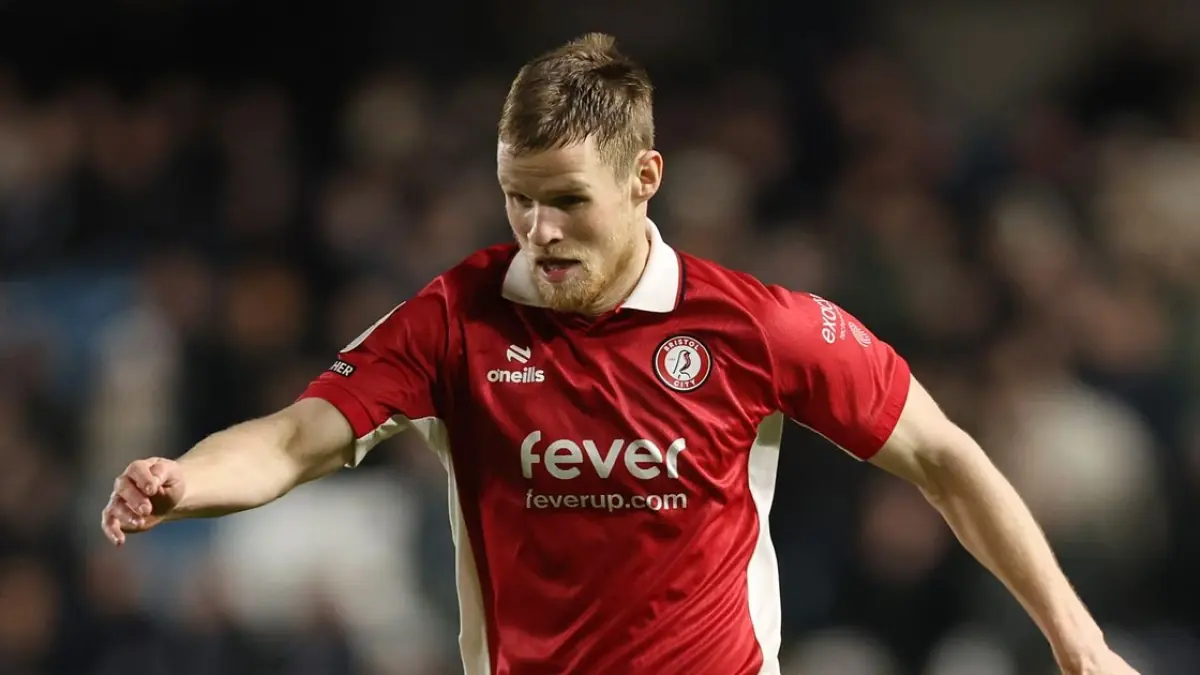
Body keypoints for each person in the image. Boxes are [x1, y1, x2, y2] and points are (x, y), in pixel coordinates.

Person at [101, 33, 1139, 675]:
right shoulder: (456, 320)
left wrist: (1078, 639)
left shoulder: (753, 328)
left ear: (645, 178)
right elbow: (295, 439)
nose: (538, 230)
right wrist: (184, 479)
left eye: (566, 200)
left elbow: (944, 456)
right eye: (517, 197)